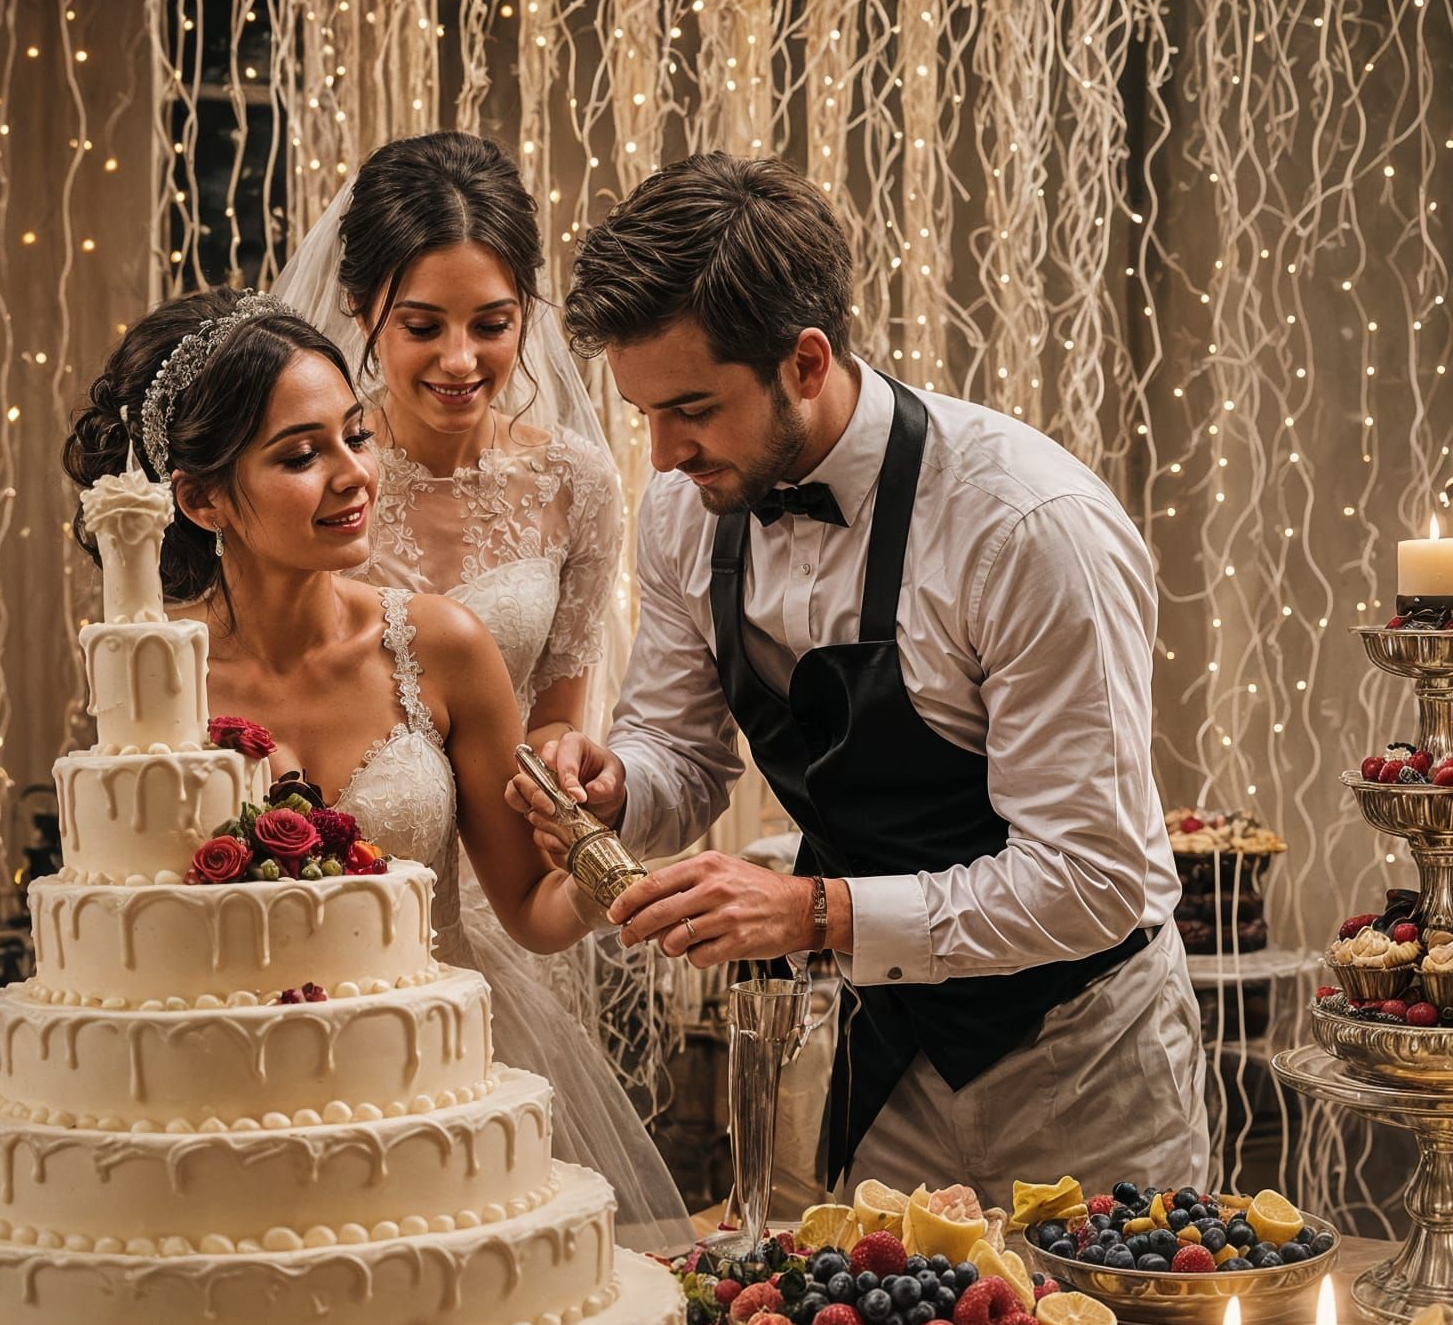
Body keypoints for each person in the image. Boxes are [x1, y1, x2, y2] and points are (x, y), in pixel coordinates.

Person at [511, 152, 1207, 1207]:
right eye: (643, 413)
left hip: (1085, 1060)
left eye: (691, 408)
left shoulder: (1027, 528)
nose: (659, 456)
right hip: (885, 1067)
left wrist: (817, 914)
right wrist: (616, 786)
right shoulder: (682, 511)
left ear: (804, 360)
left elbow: (1092, 881)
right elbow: (681, 753)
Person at [64, 287, 690, 1251]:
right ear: (199, 498)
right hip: (214, 1126)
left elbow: (532, 911)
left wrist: (611, 869)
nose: (355, 474)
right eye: (300, 455)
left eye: (352, 436)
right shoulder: (147, 673)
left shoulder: (443, 646)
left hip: (430, 1101)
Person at [272, 135, 670, 1123]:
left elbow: (552, 718)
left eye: (492, 324)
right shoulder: (313, 478)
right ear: (362, 311)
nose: (461, 360)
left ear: (526, 315)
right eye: (422, 326)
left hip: (508, 887)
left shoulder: (574, 481)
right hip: (353, 880)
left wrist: (573, 776)